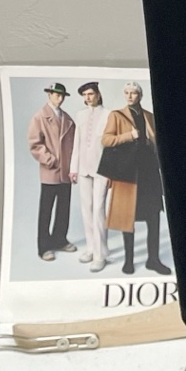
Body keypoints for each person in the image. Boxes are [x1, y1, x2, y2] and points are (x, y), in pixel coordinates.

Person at [101, 81, 170, 276]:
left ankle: (153, 260)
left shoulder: (149, 115)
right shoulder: (116, 115)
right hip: (128, 172)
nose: (130, 96)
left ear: (140, 95)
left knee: (153, 216)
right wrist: (128, 136)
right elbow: (106, 140)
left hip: (149, 172)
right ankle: (129, 260)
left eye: (133, 93)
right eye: (127, 93)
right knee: (127, 216)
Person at [26, 82, 75, 261]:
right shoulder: (40, 117)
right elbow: (35, 144)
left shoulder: (67, 119)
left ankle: (60, 239)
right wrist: (50, 160)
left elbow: (74, 145)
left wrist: (73, 166)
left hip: (66, 172)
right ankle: (44, 247)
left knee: (64, 208)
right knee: (46, 210)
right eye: (56, 95)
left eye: (62, 96)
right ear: (49, 95)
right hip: (51, 171)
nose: (59, 98)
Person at [72, 81, 112, 271]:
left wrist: (111, 172)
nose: (87, 98)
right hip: (83, 169)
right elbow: (77, 143)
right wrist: (73, 168)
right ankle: (90, 248)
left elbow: (112, 148)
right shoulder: (80, 115)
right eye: (84, 95)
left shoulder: (109, 114)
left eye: (90, 94)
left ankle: (100, 254)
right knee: (86, 209)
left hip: (102, 170)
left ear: (98, 94)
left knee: (98, 209)